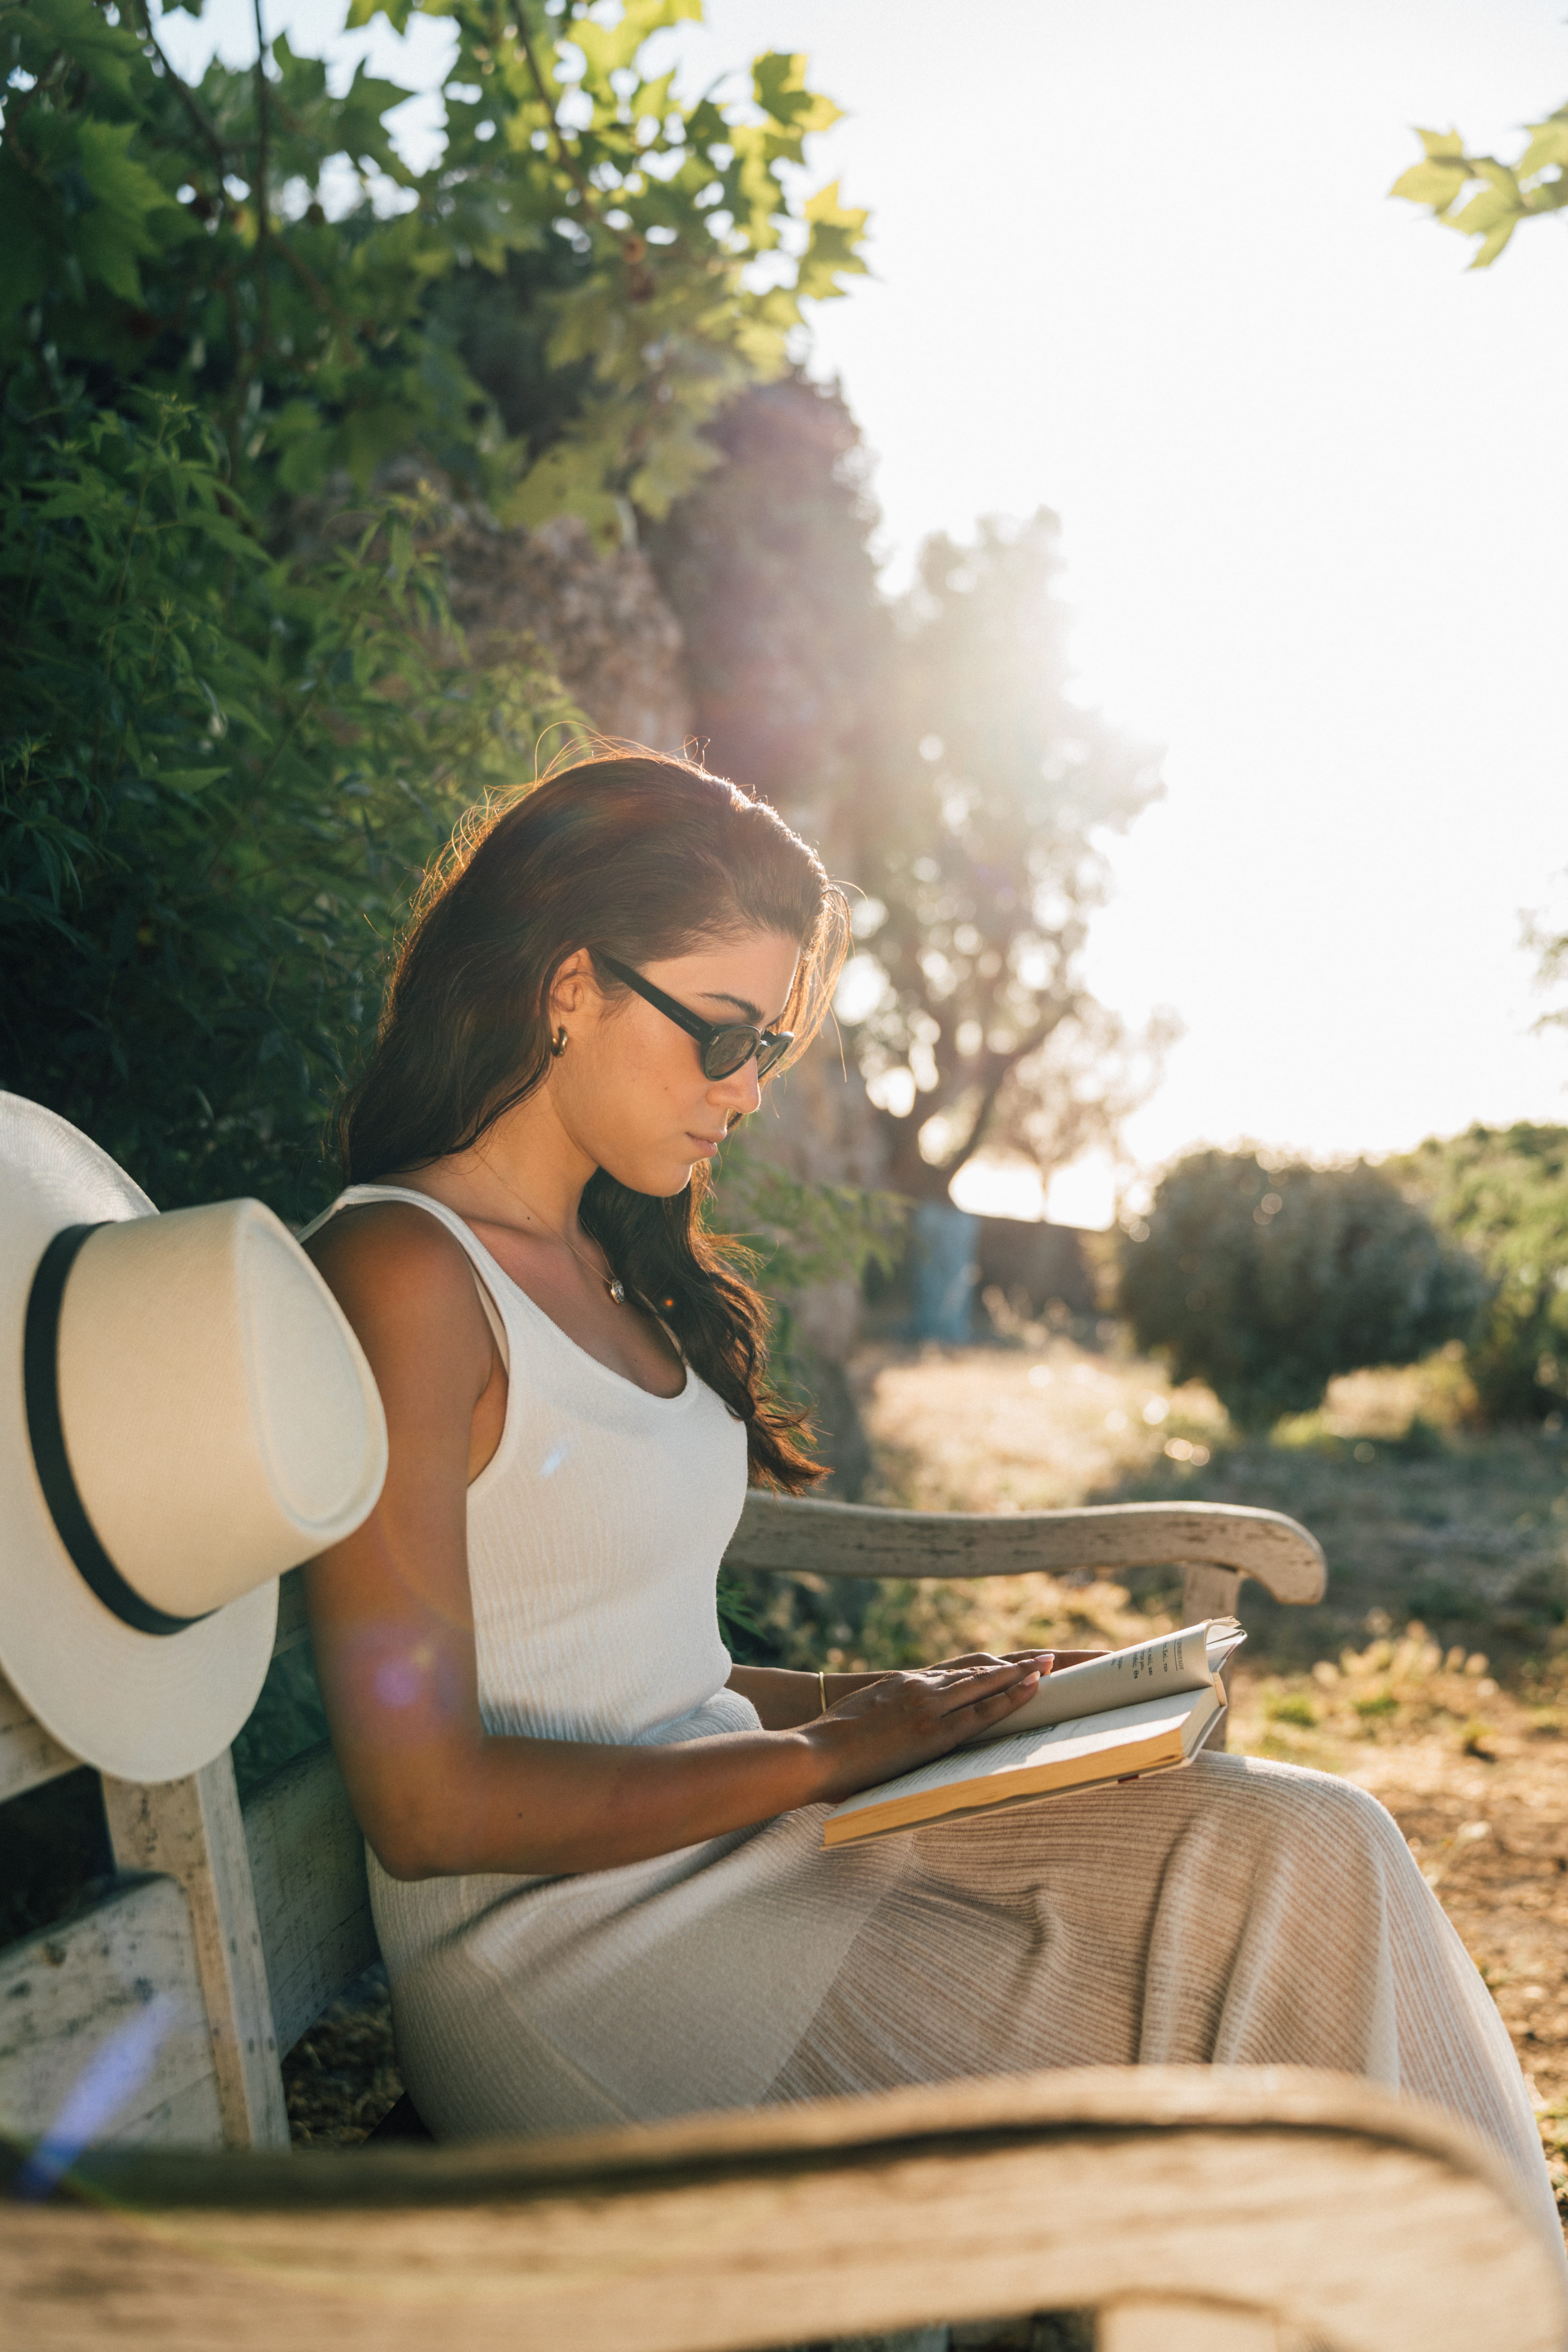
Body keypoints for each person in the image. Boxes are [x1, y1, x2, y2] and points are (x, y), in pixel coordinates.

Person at [301, 749, 1562, 2258]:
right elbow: (429, 1804)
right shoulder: (404, 1274)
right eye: (718, 1033)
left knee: (1310, 1851)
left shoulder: (613, 1272)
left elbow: (629, 1676)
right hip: (569, 1964)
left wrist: (879, 1702)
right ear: (571, 986)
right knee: (1243, 2041)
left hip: (734, 1863)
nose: (747, 1088)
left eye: (763, 1043)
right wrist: (833, 1753)